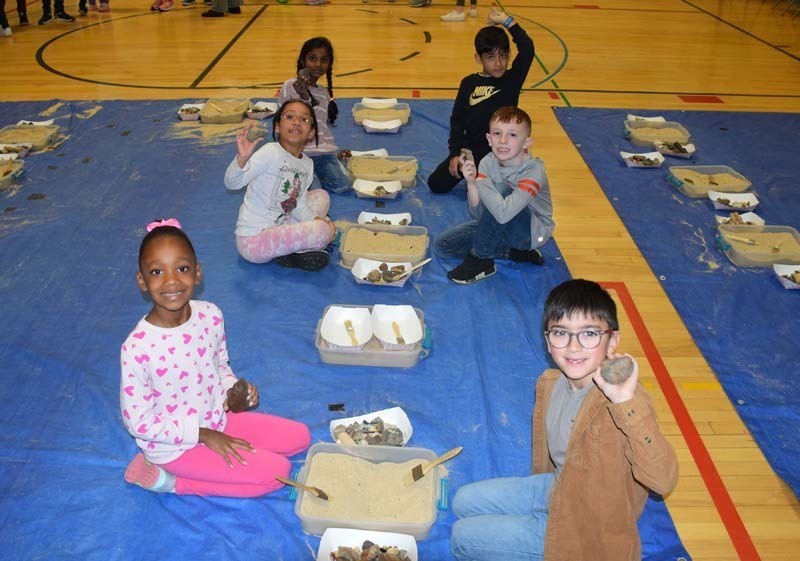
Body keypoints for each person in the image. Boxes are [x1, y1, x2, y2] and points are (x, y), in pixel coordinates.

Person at [450, 279, 679, 561]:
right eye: (561, 333)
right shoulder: (551, 382)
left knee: (463, 536)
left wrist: (625, 403)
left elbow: (663, 480)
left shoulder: (625, 401)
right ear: (547, 340)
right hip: (560, 488)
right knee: (462, 500)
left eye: (590, 334)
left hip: (586, 530)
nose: (573, 347)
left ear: (612, 341)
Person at [121, 219, 311, 497]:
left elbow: (220, 367)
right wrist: (204, 435)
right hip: (173, 447)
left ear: (197, 274)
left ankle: (218, 457)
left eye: (182, 268)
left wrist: (234, 393)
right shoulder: (137, 348)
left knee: (300, 438)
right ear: (142, 281)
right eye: (157, 271)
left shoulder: (210, 315)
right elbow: (139, 422)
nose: (171, 280)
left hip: (218, 420)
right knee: (277, 475)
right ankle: (171, 482)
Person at [435, 106, 554, 285]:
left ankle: (481, 260)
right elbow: (479, 214)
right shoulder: (487, 162)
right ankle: (513, 252)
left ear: (526, 143)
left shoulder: (533, 171)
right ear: (489, 139)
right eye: (497, 133)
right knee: (443, 245)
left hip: (530, 232)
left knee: (502, 190)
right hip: (501, 223)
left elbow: (504, 213)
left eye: (513, 135)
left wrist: (484, 184)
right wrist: (472, 183)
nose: (503, 140)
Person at [428, 7, 534, 194]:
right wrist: (455, 155)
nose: (499, 63)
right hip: (472, 153)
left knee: (499, 196)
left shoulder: (512, 79)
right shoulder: (469, 83)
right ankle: (480, 177)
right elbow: (458, 121)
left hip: (503, 154)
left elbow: (527, 48)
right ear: (478, 58)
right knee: (436, 184)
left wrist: (507, 22)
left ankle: (498, 177)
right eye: (491, 57)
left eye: (503, 55)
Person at [225, 100, 336, 271]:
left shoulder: (306, 164)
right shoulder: (271, 151)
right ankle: (300, 246)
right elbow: (232, 184)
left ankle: (293, 249)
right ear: (277, 126)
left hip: (280, 225)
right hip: (254, 241)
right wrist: (241, 159)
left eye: (304, 119)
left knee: (322, 196)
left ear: (311, 133)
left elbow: (298, 205)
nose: (296, 122)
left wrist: (316, 220)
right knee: (322, 231)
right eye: (289, 116)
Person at [278, 37, 351, 194]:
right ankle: (301, 174)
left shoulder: (324, 93)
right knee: (313, 192)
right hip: (297, 153)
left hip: (321, 153)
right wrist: (303, 93)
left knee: (343, 186)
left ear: (329, 64)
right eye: (312, 58)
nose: (318, 64)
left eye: (324, 60)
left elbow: (321, 127)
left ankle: (332, 164)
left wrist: (332, 151)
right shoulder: (290, 86)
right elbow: (291, 119)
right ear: (303, 60)